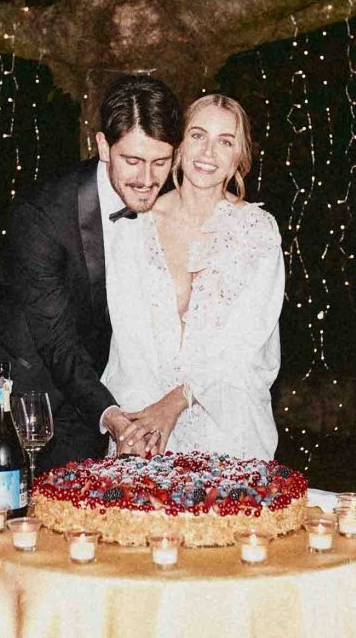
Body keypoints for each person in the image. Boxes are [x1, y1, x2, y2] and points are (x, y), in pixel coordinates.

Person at [0, 75, 184, 471]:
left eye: (160, 162)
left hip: (91, 400)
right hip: (24, 406)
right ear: (102, 146)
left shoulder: (163, 209)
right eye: (132, 160)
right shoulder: (42, 214)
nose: (147, 180)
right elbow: (56, 339)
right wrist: (112, 415)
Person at [103, 94, 283, 459]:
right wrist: (139, 423)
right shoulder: (135, 226)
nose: (208, 152)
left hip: (230, 432)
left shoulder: (257, 232)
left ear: (239, 158)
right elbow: (128, 341)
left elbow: (245, 347)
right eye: (198, 135)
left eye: (225, 141)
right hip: (143, 429)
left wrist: (175, 403)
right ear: (178, 146)